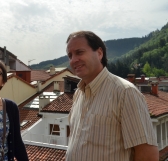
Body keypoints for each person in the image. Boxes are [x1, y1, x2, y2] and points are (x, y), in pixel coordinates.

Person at [65, 31, 158, 161]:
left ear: (99, 53)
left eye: (79, 52)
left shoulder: (125, 93)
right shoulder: (78, 94)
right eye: (70, 55)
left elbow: (148, 155)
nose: (73, 60)